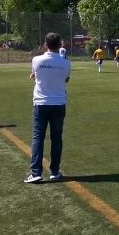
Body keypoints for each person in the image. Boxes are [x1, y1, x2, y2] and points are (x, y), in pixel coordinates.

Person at [25, 32, 71, 184]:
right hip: (58, 103)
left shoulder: (36, 60)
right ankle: (55, 171)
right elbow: (66, 79)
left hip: (41, 103)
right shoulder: (65, 62)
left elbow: (36, 75)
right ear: (60, 46)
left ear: (45, 45)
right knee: (56, 138)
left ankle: (36, 172)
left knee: (38, 137)